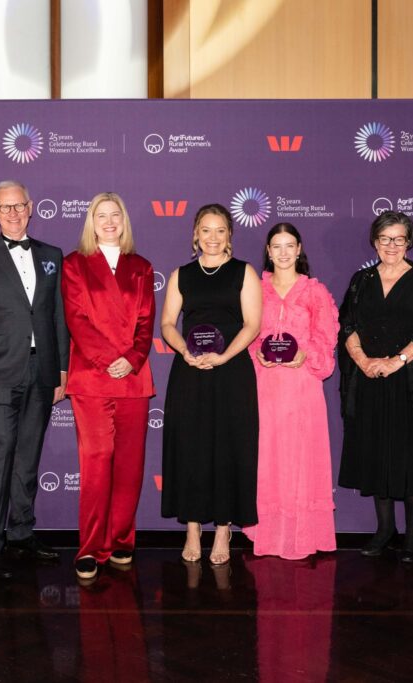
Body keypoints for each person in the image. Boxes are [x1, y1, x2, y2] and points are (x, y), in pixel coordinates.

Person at [0, 180, 70, 580]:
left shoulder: (51, 256)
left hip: (41, 373)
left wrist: (61, 370)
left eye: (19, 205)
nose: (12, 213)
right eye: (5, 208)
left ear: (30, 206)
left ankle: (22, 532)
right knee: (0, 454)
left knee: (28, 457)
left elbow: (58, 317)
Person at [337, 210, 413, 562]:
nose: (392, 245)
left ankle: (412, 536)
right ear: (374, 242)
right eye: (385, 239)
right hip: (369, 379)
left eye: (399, 239)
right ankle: (385, 529)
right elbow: (347, 324)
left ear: (409, 242)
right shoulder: (361, 280)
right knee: (377, 453)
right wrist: (363, 361)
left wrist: (395, 361)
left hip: (410, 382)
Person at [160, 204, 262, 565]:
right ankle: (192, 528)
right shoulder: (181, 275)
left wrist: (223, 356)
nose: (213, 237)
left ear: (230, 235)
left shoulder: (244, 272)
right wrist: (186, 350)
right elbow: (168, 323)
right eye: (206, 230)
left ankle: (222, 529)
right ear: (195, 234)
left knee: (228, 448)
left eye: (220, 230)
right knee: (191, 448)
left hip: (231, 372)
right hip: (190, 371)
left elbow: (252, 324)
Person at [62, 192, 155, 580]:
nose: (109, 221)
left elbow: (147, 321)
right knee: (97, 463)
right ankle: (91, 547)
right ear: (91, 221)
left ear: (124, 219)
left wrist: (131, 359)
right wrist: (107, 360)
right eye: (101, 215)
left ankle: (121, 540)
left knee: (130, 467)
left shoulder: (141, 266)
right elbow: (76, 319)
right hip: (93, 378)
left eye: (115, 214)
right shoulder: (75, 264)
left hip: (133, 377)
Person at [244, 223, 339, 559]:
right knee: (267, 457)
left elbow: (326, 341)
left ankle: (302, 535)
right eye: (276, 246)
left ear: (299, 250)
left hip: (303, 387)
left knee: (301, 459)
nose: (283, 253)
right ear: (268, 251)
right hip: (265, 387)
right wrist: (256, 354)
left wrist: (305, 354)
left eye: (289, 246)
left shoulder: (315, 292)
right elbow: (247, 334)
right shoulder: (255, 288)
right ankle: (266, 534)